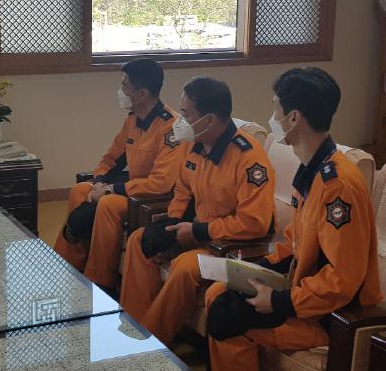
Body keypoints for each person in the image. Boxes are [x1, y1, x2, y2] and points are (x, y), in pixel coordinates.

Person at [205, 67, 383, 371]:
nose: (272, 117)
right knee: (219, 293)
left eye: (276, 108)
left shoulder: (338, 185)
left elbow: (342, 279)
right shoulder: (313, 169)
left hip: (325, 315)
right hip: (302, 292)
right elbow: (297, 243)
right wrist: (260, 269)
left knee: (227, 318)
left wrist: (279, 302)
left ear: (294, 118)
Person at [120, 76, 276, 345]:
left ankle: (150, 343)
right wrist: (173, 223)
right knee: (139, 240)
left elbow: (254, 223)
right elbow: (182, 190)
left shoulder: (249, 159)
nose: (179, 120)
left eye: (185, 113)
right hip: (196, 231)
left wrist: (200, 231)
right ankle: (132, 323)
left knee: (185, 266)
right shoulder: (194, 145)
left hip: (229, 245)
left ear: (209, 120)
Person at [54, 59, 181, 293]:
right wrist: (99, 182)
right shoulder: (133, 120)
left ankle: (100, 280)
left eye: (125, 86)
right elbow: (111, 158)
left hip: (153, 197)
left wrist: (111, 190)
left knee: (109, 204)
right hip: (133, 188)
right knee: (80, 190)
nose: (120, 91)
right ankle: (66, 265)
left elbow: (161, 183)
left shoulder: (170, 127)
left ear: (141, 94)